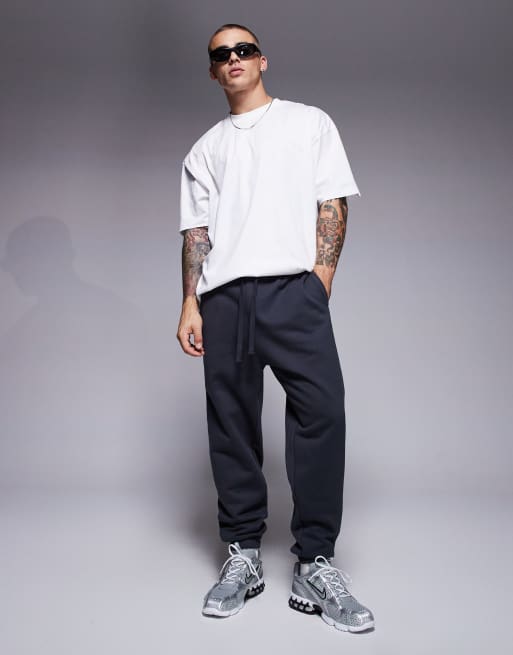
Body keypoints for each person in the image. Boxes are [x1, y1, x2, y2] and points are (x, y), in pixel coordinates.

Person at [177, 23, 375, 633]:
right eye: (221, 54)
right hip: (224, 298)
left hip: (295, 293)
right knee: (231, 423)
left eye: (243, 49)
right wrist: (189, 302)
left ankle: (315, 561)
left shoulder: (308, 123)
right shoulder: (205, 149)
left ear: (261, 60)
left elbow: (332, 200)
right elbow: (197, 232)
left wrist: (320, 280)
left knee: (322, 414)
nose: (233, 58)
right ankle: (243, 554)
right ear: (213, 71)